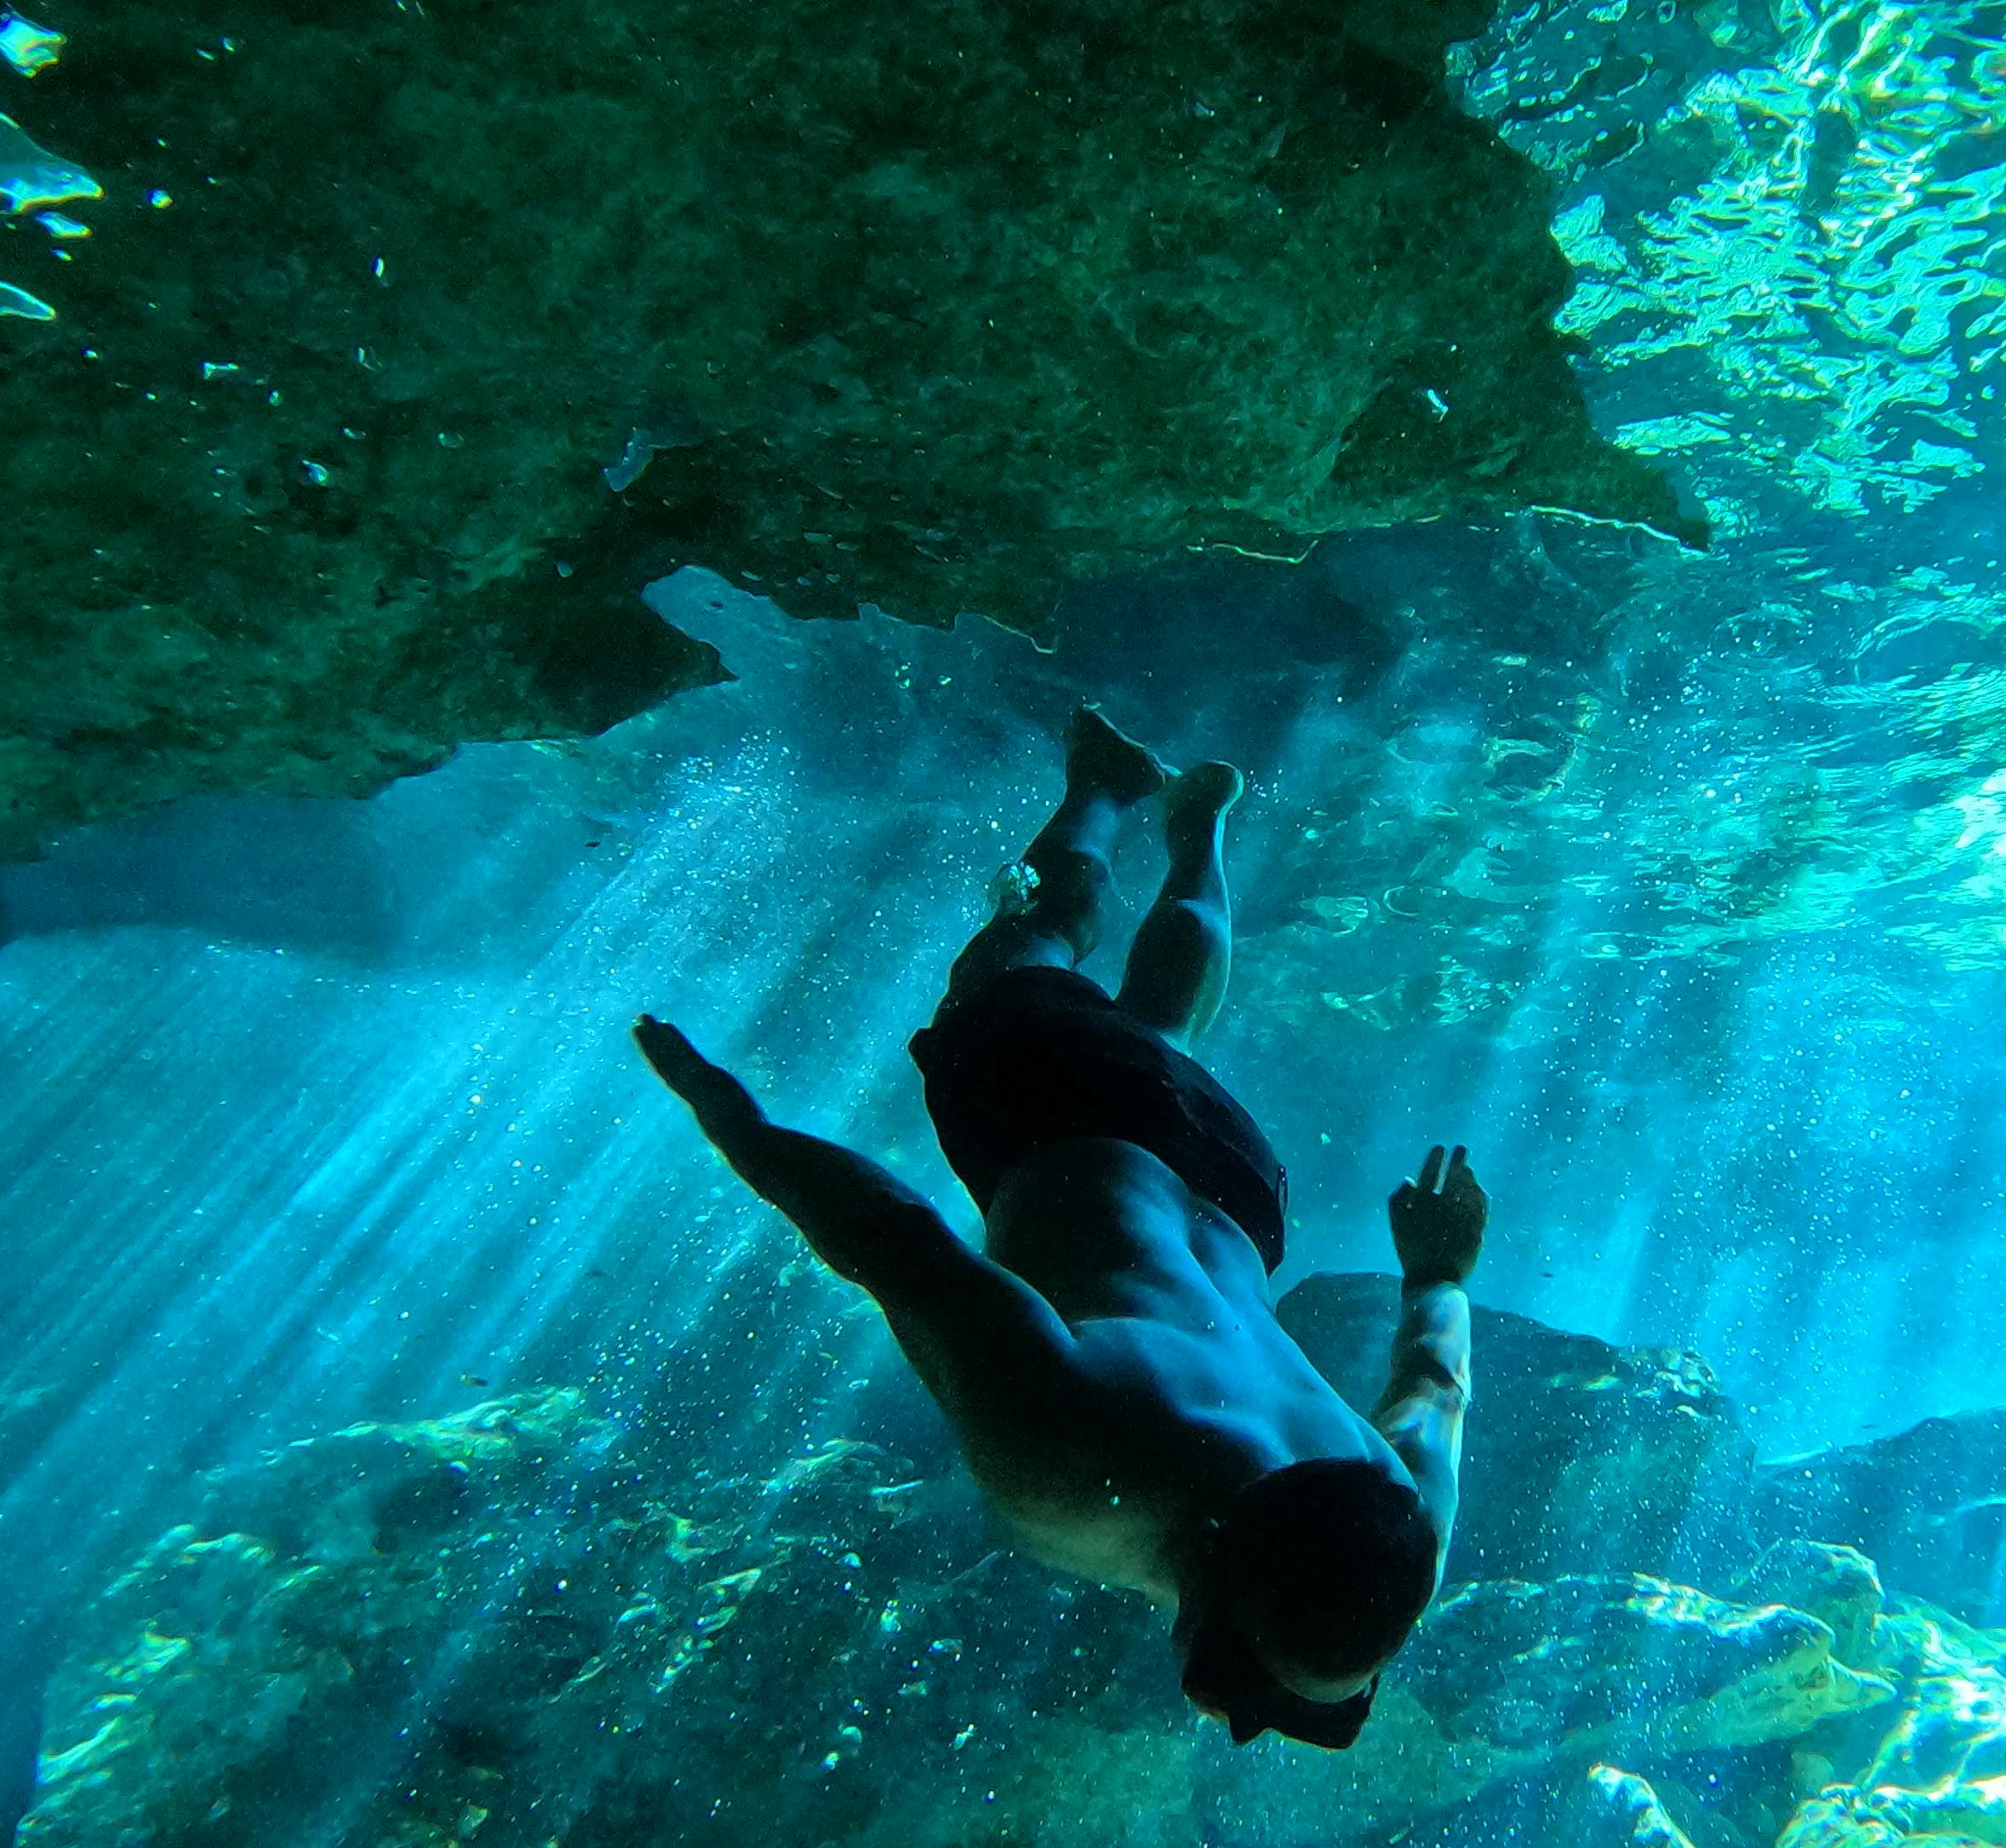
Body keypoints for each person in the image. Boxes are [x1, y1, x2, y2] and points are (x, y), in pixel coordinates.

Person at [635, 708, 1481, 1747]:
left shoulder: (1396, 1526)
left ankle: (1199, 822)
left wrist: (1439, 1270)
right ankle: (1104, 787)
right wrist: (744, 1133)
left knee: (1162, 1028)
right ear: (1216, 1570)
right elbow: (901, 1244)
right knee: (1017, 950)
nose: (1219, 1711)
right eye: (1234, 1680)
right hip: (1053, 1119)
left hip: (1239, 1188)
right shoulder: (1066, 1441)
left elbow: (1433, 1393)